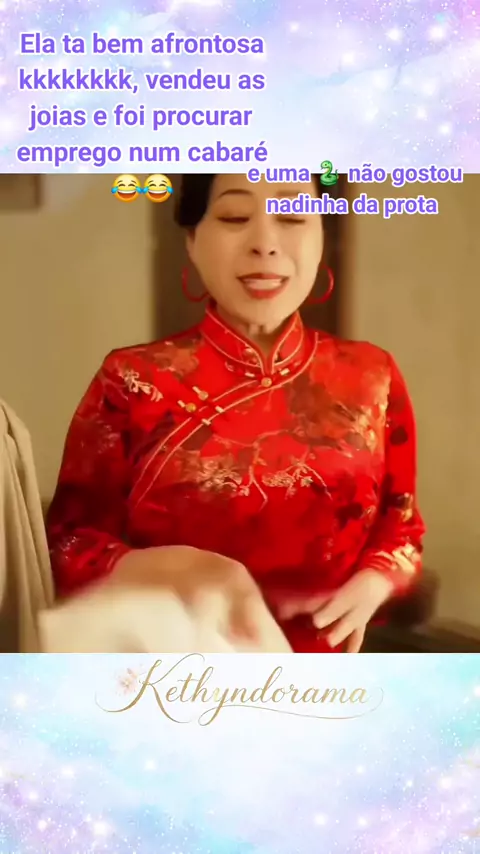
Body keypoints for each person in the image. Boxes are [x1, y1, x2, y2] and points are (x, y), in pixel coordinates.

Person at [46, 173, 425, 653]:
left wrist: (376, 581)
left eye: (292, 216)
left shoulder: (372, 374)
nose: (265, 243)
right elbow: (67, 544)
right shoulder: (132, 379)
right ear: (192, 239)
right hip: (173, 670)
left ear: (322, 235)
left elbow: (402, 527)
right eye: (234, 217)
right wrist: (179, 569)